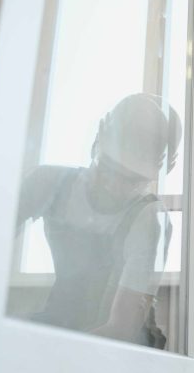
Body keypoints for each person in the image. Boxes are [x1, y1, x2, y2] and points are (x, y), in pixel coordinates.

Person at [13, 93, 182, 349]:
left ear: (157, 174)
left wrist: (46, 354)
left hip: (127, 346)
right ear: (96, 144)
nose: (114, 186)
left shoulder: (151, 218)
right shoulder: (47, 183)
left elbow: (123, 328)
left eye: (131, 180)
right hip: (61, 323)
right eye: (108, 169)